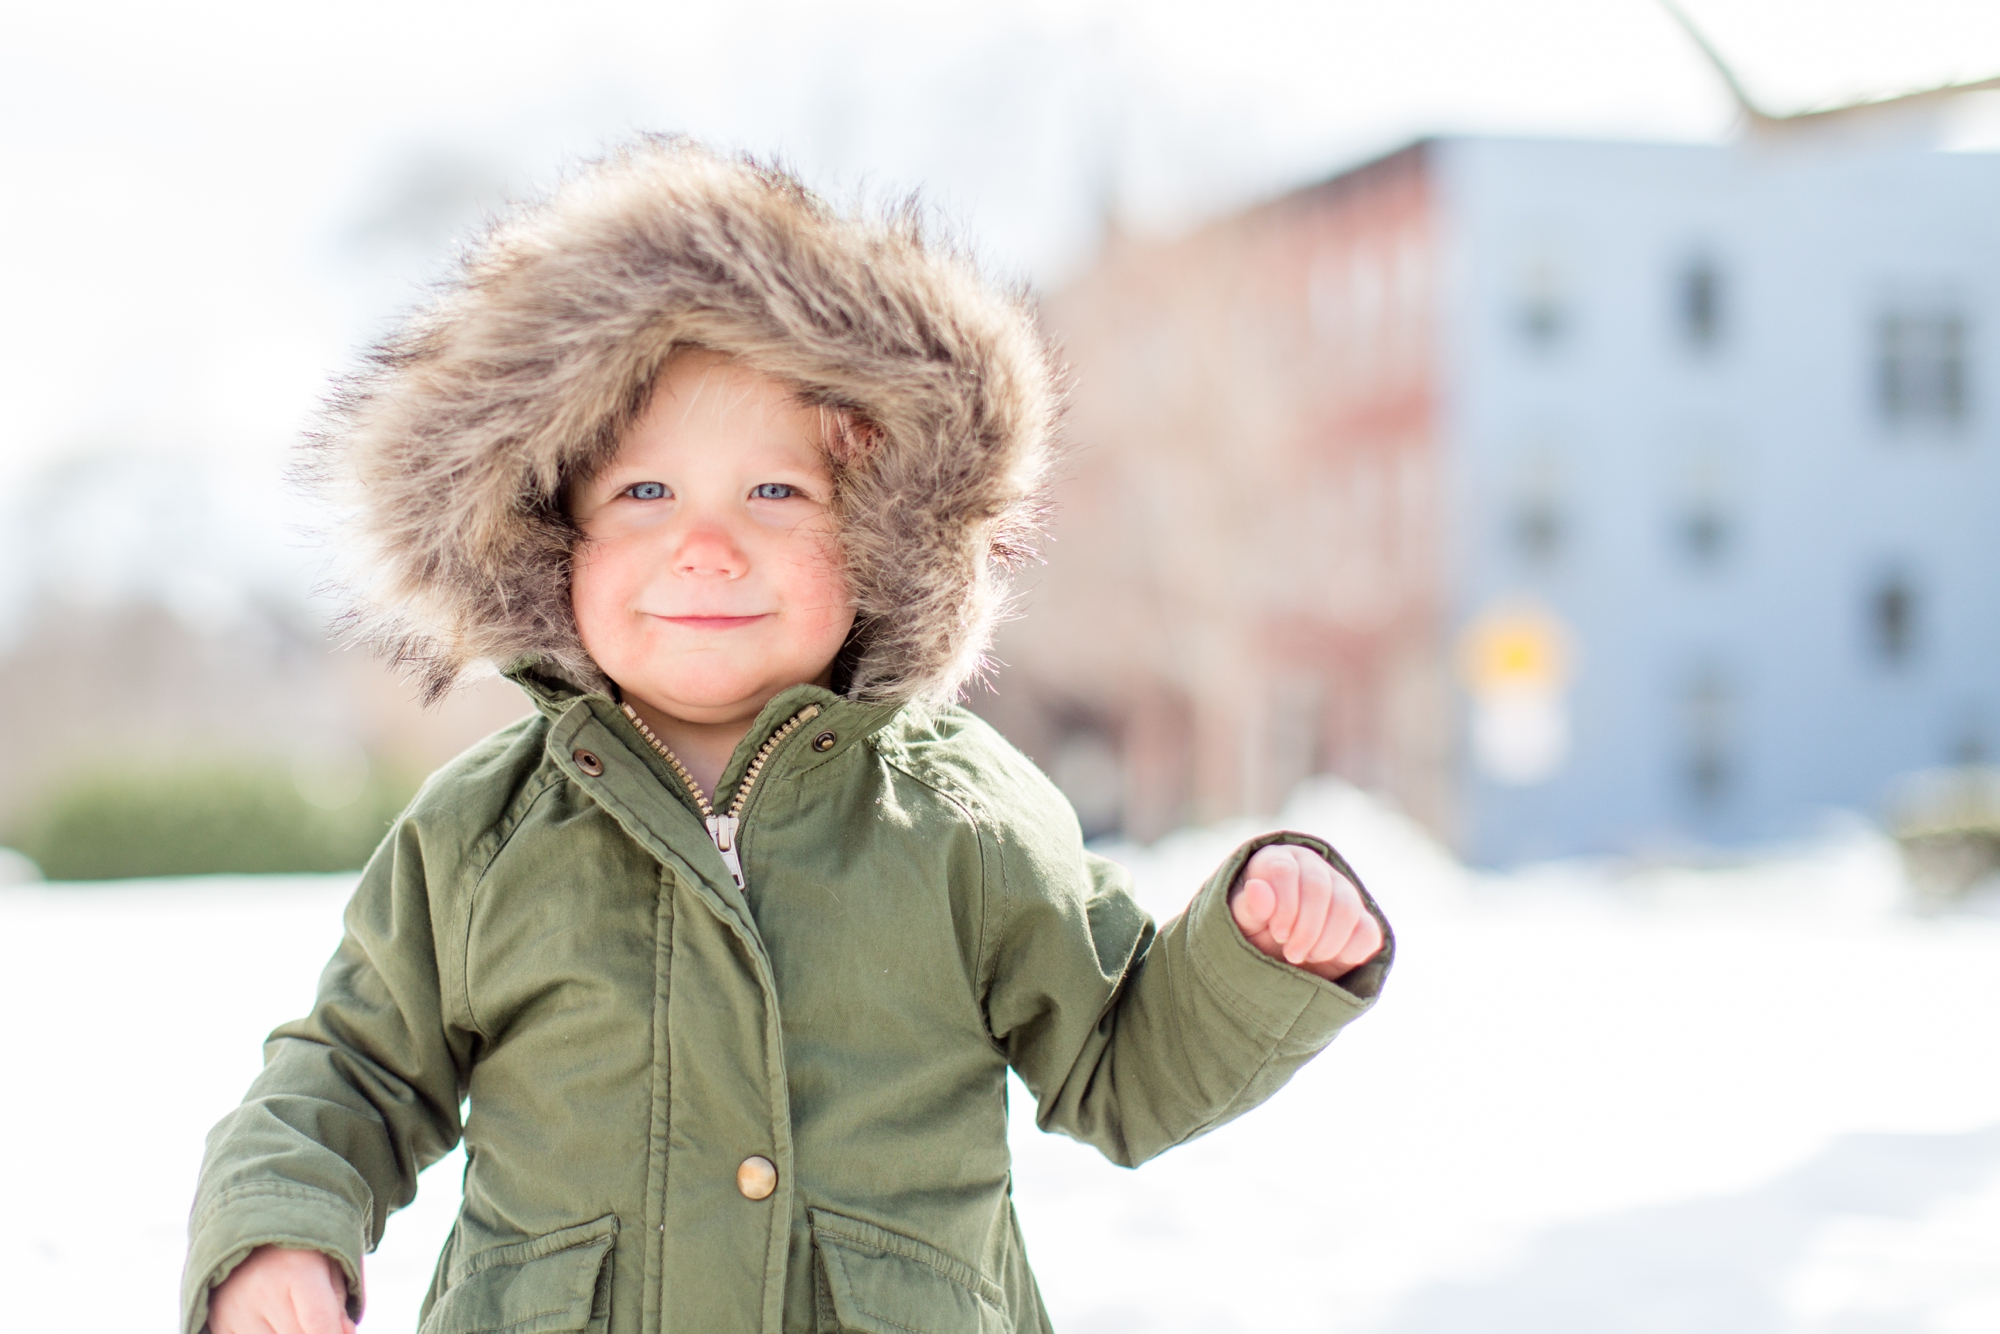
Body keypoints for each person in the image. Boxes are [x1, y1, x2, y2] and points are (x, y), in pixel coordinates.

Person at [184, 138, 1393, 1334]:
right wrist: (276, 1222)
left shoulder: (959, 816)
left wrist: (1250, 953)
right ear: (552, 538)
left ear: (880, 532)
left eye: (775, 492)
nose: (706, 545)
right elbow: (350, 1068)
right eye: (645, 494)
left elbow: (1118, 1056)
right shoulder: (481, 830)